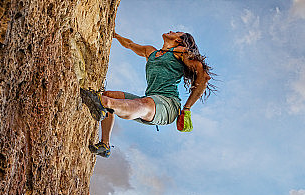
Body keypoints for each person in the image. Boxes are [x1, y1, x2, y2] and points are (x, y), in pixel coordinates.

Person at [81, 30, 215, 157]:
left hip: (168, 104)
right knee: (108, 94)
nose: (171, 31)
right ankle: (105, 145)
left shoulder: (180, 52)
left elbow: (203, 76)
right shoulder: (150, 51)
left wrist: (187, 108)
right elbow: (130, 44)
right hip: (150, 99)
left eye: (176, 32)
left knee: (131, 102)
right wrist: (115, 35)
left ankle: (104, 103)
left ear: (179, 40)